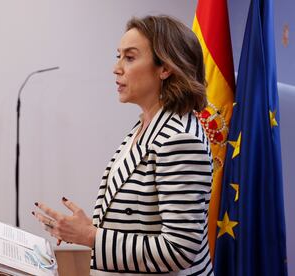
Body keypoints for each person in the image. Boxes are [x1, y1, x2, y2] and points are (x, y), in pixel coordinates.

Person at [33, 15, 213, 275]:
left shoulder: (180, 139)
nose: (116, 68)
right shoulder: (147, 125)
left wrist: (91, 236)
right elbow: (136, 220)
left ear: (165, 68)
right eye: (118, 56)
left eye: (129, 57)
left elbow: (179, 250)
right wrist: (81, 228)